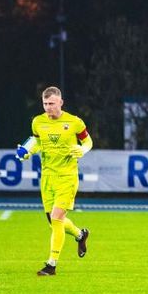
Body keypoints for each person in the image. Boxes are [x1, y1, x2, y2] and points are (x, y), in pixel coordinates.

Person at [17, 86, 92, 276]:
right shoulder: (37, 122)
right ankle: (80, 234)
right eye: (45, 104)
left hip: (67, 178)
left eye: (51, 103)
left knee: (57, 218)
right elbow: (37, 142)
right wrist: (27, 152)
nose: (48, 107)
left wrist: (82, 150)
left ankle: (51, 265)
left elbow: (88, 141)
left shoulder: (74, 122)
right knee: (54, 223)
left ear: (60, 102)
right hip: (47, 178)